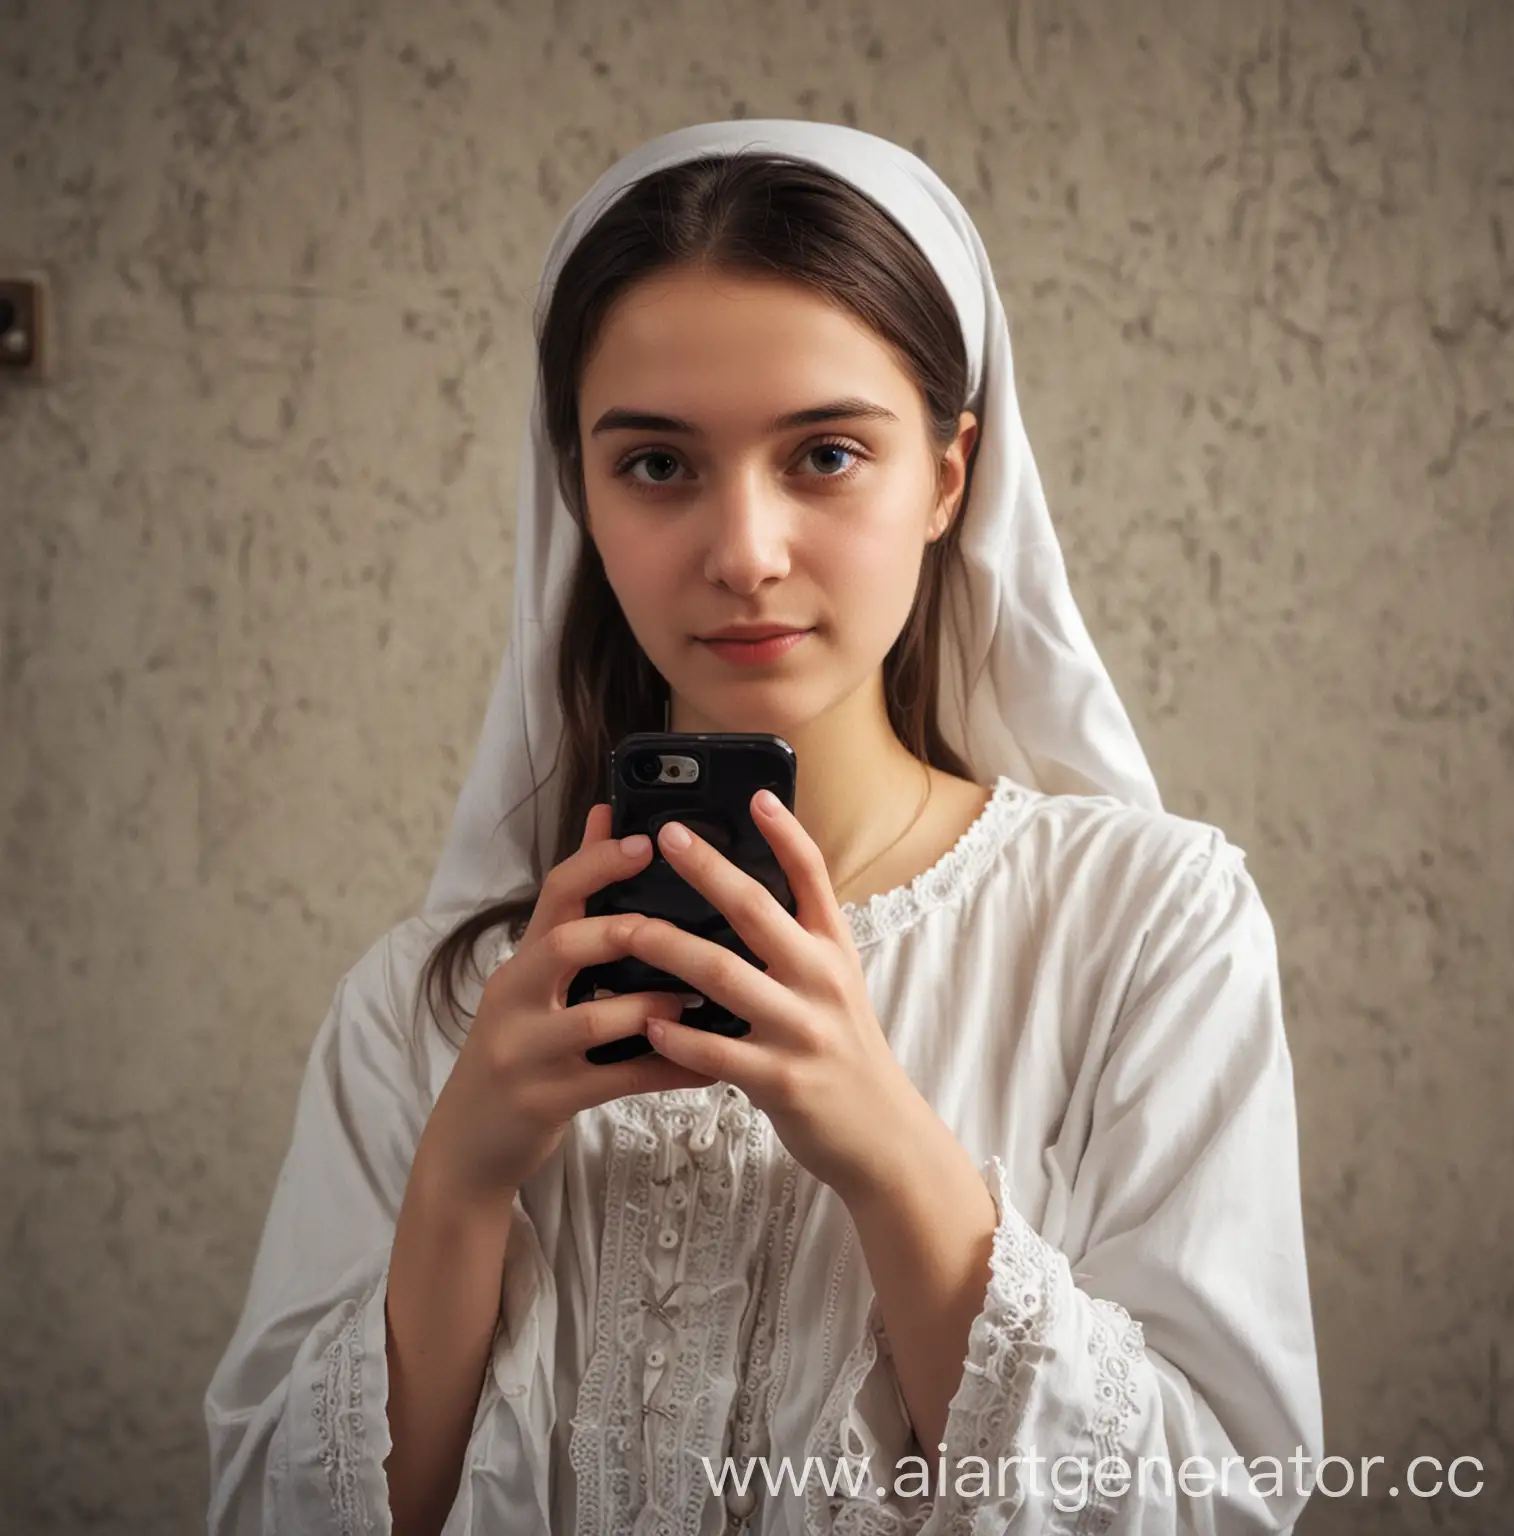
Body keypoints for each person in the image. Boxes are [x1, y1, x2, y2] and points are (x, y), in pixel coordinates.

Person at [204, 119, 1323, 1536]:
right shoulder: (423, 1011)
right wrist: (466, 1178)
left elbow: (1221, 1503)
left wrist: (885, 1148)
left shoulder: (1147, 929)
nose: (743, 552)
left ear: (949, 474)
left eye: (827, 454)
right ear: (582, 500)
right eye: (659, 466)